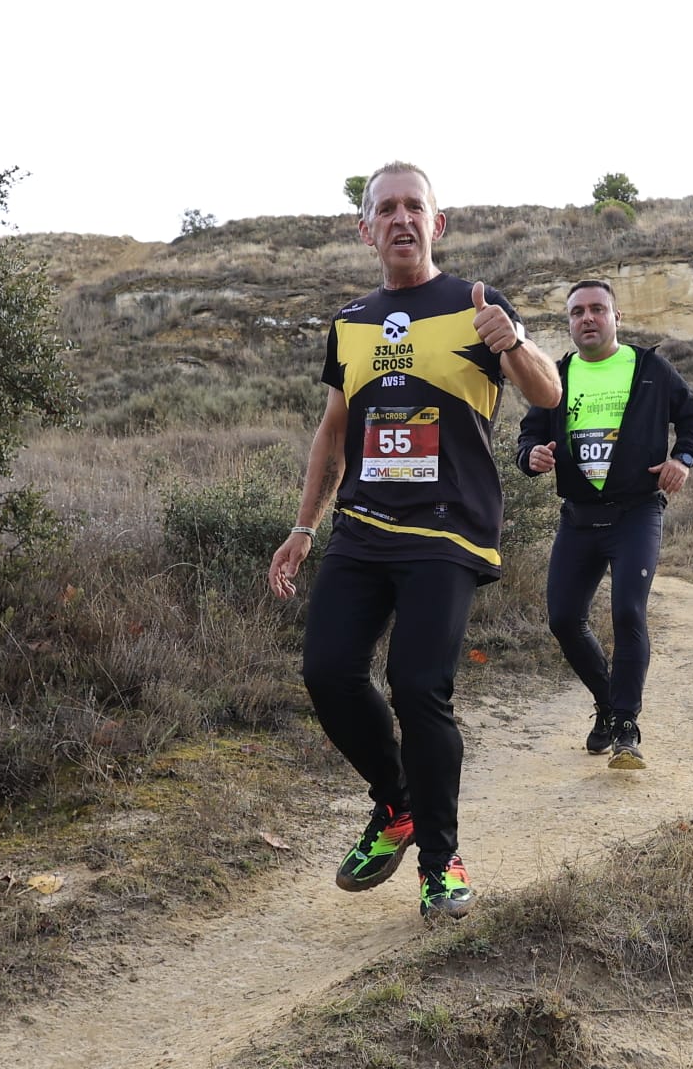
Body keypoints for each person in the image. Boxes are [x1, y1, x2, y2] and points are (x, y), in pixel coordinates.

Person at [268, 161, 561, 919]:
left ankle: (441, 861)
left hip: (446, 530)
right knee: (328, 673)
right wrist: (304, 527)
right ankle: (395, 806)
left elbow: (548, 393)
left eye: (414, 207)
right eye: (385, 209)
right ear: (366, 229)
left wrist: (515, 340)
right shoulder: (352, 321)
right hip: (362, 528)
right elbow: (333, 434)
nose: (401, 219)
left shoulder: (475, 306)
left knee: (419, 687)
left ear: (439, 223)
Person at [515, 280, 693, 770]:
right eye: (577, 311)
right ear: (569, 322)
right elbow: (529, 433)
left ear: (616, 317)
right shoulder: (555, 375)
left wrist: (683, 458)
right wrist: (529, 455)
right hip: (578, 518)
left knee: (627, 612)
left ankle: (626, 724)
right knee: (563, 619)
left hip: (636, 512)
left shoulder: (649, 368)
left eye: (597, 309)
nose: (587, 318)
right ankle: (606, 703)